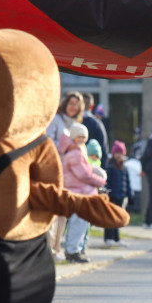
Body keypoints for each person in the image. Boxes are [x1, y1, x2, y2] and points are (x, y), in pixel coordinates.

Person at [45, 91, 84, 257]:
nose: (73, 107)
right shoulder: (56, 120)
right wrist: (66, 147)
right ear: (65, 104)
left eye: (76, 105)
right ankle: (47, 249)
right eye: (71, 103)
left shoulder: (76, 124)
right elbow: (48, 141)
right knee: (53, 211)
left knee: (63, 214)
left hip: (70, 174)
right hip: (55, 170)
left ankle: (56, 248)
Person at [62, 123, 107, 263]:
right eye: (78, 137)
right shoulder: (74, 153)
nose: (81, 140)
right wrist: (100, 181)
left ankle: (77, 249)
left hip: (81, 191)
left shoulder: (80, 151)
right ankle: (72, 250)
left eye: (83, 137)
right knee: (78, 222)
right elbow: (83, 174)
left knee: (82, 223)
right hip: (77, 192)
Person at [104, 141, 131, 246]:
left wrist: (129, 194)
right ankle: (108, 238)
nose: (119, 155)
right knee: (110, 217)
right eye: (117, 153)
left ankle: (117, 238)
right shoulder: (110, 167)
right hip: (112, 196)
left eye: (121, 153)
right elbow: (107, 182)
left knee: (119, 218)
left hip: (121, 196)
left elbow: (127, 183)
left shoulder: (125, 168)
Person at [81, 93, 109, 168]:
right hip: (94, 168)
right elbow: (104, 148)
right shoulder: (97, 124)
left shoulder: (73, 122)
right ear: (92, 106)